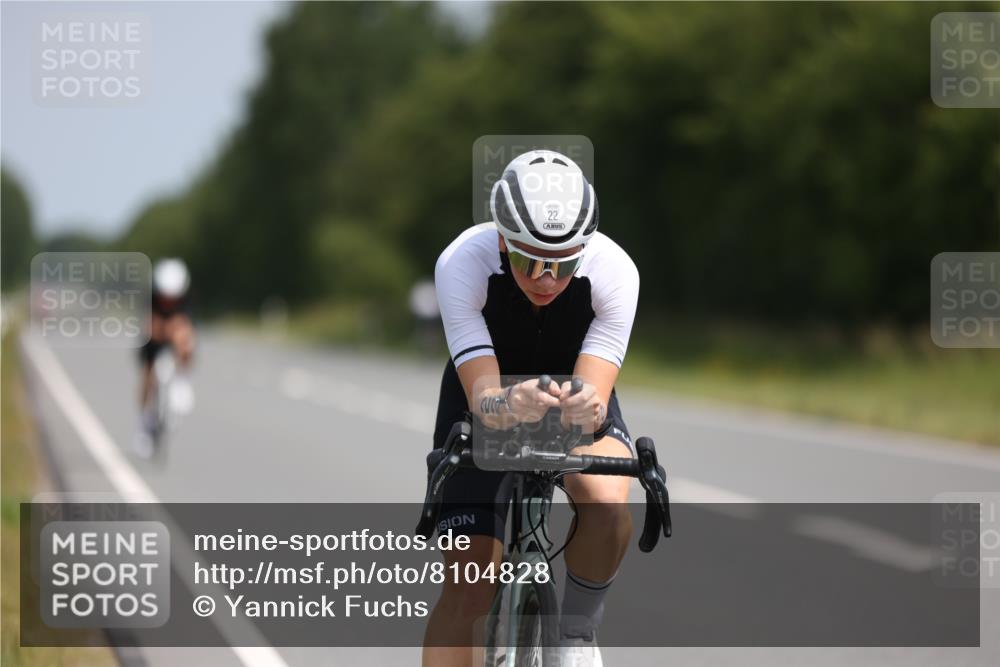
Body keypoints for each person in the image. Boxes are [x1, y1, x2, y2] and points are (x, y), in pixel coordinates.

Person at [425, 150, 639, 667]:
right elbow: (484, 400)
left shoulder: (615, 271)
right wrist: (507, 402)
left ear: (583, 250)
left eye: (563, 264)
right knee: (470, 583)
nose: (546, 277)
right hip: (485, 397)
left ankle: (578, 633)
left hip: (570, 392)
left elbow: (592, 400)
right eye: (529, 260)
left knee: (608, 501)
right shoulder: (463, 262)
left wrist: (586, 407)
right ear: (501, 240)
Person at [134, 258, 195, 457]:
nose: (168, 300)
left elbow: (186, 326)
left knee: (185, 341)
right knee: (147, 374)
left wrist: (177, 334)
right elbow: (148, 325)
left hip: (174, 336)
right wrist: (161, 329)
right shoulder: (151, 298)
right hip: (154, 339)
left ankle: (182, 380)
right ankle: (144, 422)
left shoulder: (185, 300)